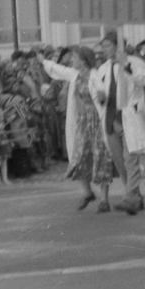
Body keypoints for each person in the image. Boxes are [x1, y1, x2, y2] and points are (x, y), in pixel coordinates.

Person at [42, 47, 117, 212]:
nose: (71, 61)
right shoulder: (75, 75)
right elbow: (59, 70)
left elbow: (101, 89)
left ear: (83, 61)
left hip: (96, 121)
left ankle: (104, 199)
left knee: (100, 156)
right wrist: (44, 61)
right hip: (82, 121)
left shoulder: (94, 74)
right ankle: (88, 192)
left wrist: (102, 96)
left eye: (74, 58)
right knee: (79, 156)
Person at [92, 31, 145, 213]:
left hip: (129, 116)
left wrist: (126, 65)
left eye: (107, 46)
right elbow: (98, 90)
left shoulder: (135, 62)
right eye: (102, 47)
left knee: (130, 158)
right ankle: (135, 196)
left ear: (118, 46)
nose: (104, 50)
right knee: (120, 161)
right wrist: (100, 98)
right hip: (111, 119)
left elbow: (144, 80)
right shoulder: (103, 68)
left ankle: (130, 197)